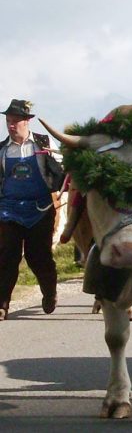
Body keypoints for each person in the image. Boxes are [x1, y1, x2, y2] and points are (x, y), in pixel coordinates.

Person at [0, 99, 64, 321]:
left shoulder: (43, 144)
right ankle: (2, 305)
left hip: (40, 208)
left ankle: (49, 293)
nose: (11, 125)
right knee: (6, 257)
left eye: (15, 121)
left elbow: (61, 169)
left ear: (27, 121)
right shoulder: (2, 150)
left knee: (39, 257)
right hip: (8, 211)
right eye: (8, 121)